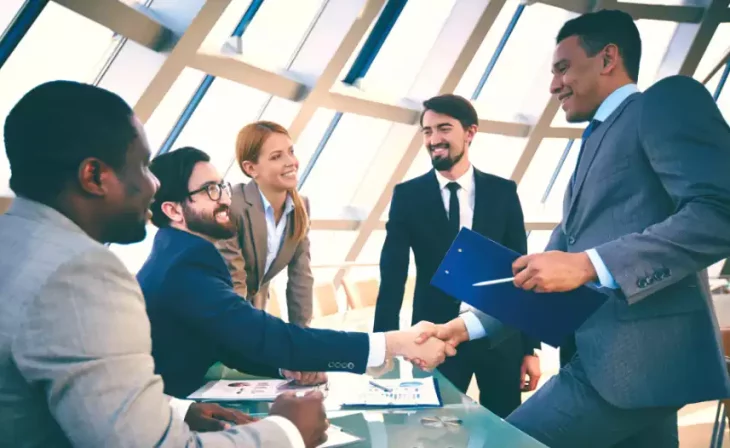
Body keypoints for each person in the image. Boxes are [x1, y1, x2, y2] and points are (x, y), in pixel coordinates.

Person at [423, 10, 730, 447]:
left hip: (632, 363)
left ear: (607, 58)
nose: (553, 85)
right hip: (624, 371)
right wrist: (467, 327)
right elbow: (542, 268)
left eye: (563, 68)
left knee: (502, 443)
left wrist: (589, 265)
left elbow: (720, 210)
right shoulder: (595, 141)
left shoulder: (663, 102)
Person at [0, 80, 331, 447]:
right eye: (142, 166)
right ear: (93, 176)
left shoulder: (15, 246)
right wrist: (288, 431)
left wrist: (175, 410)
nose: (154, 186)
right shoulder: (81, 273)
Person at [137, 146, 455, 399]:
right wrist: (393, 343)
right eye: (210, 190)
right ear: (173, 210)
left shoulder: (178, 253)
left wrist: (284, 365)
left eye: (222, 186)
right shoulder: (187, 264)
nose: (225, 198)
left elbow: (228, 340)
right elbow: (262, 334)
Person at [373, 93, 542, 417]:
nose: (434, 139)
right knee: (432, 432)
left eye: (444, 128)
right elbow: (392, 274)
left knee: (504, 433)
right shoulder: (407, 196)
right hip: (434, 337)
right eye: (427, 131)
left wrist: (529, 348)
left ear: (470, 132)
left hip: (499, 335)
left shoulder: (502, 192)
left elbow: (521, 271)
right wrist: (386, 346)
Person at [216, 121, 312, 326]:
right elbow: (235, 279)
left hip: (254, 312)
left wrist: (303, 338)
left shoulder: (300, 206)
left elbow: (301, 278)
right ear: (251, 168)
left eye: (291, 152)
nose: (291, 162)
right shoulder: (233, 204)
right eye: (276, 157)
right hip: (218, 315)